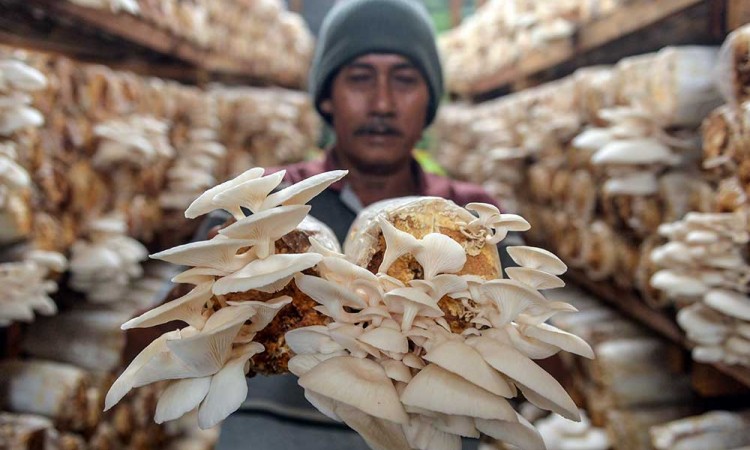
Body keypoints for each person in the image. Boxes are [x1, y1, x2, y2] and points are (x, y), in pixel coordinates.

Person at [270, 0, 498, 244]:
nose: (382, 104)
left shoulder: (475, 216)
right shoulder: (270, 201)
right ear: (327, 97)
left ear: (429, 100)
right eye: (360, 78)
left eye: (404, 80)